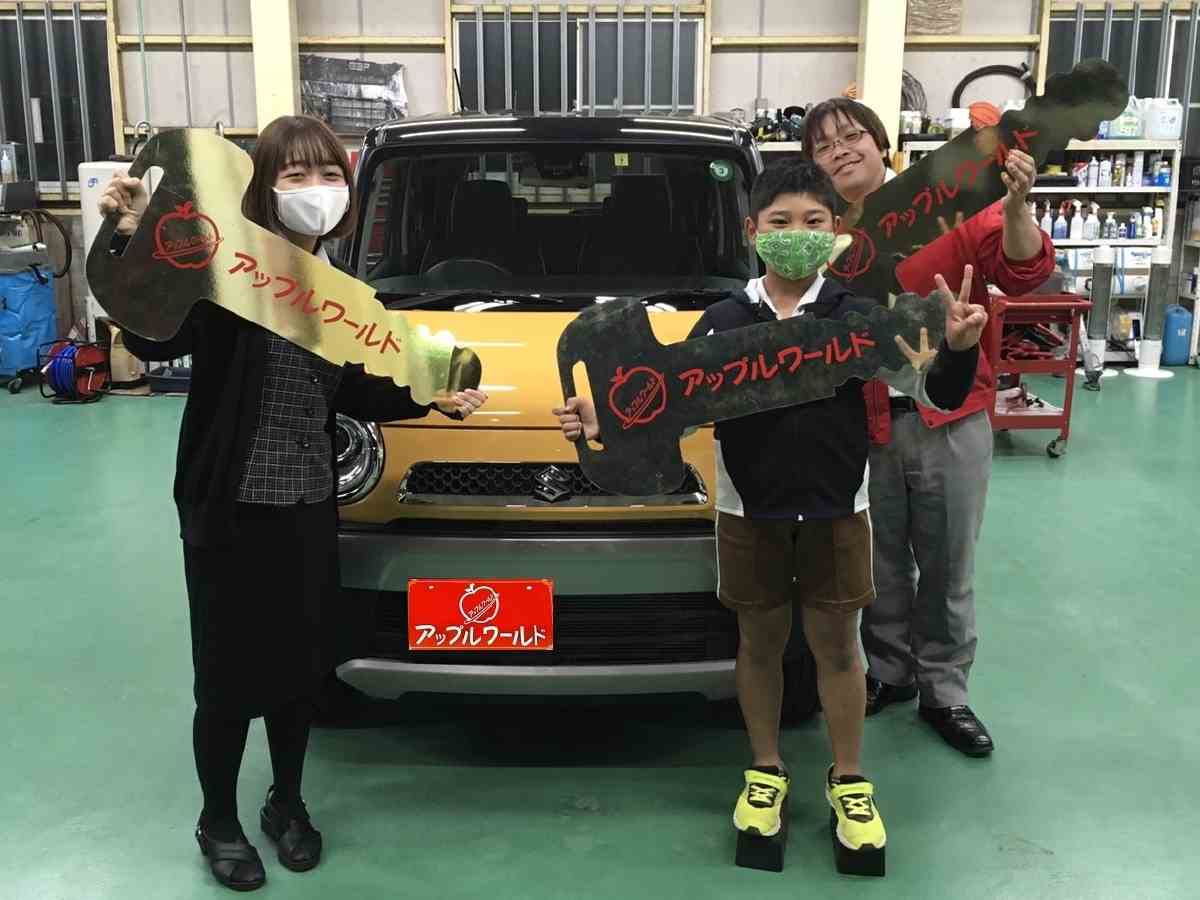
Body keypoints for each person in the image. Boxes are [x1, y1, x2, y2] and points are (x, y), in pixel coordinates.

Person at [554, 161, 985, 868]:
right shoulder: (724, 321)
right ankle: (765, 769)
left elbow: (932, 389)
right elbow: (670, 400)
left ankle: (850, 779)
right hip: (745, 511)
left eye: (813, 222)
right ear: (753, 231)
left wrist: (959, 350)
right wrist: (603, 417)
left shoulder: (855, 316)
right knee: (758, 645)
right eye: (780, 222)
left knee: (838, 648)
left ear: (836, 231)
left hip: (838, 509)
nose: (796, 234)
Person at [98, 115, 488, 892]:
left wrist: (432, 394)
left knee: (298, 668)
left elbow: (356, 387)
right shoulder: (227, 271)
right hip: (229, 506)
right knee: (226, 676)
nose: (317, 190)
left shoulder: (340, 295)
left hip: (308, 502)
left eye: (329, 174)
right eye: (296, 174)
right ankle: (218, 819)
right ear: (264, 187)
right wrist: (127, 237)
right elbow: (150, 339)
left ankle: (286, 802)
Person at [803, 98, 1054, 756]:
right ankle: (890, 671)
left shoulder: (949, 205)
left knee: (947, 564)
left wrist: (1019, 206)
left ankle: (945, 691)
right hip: (863, 423)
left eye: (852, 135)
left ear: (881, 142)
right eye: (824, 145)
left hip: (950, 417)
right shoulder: (820, 235)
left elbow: (1023, 271)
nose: (840, 150)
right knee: (878, 563)